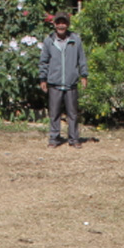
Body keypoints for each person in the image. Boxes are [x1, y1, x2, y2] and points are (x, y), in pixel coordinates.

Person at [38, 11, 88, 148]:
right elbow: (44, 61)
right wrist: (43, 79)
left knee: (72, 113)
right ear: (54, 24)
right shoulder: (49, 41)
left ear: (68, 24)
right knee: (54, 113)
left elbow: (81, 59)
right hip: (54, 83)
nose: (61, 25)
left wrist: (84, 75)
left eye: (64, 23)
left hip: (71, 83)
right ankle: (54, 139)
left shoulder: (75, 40)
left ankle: (74, 139)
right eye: (58, 22)